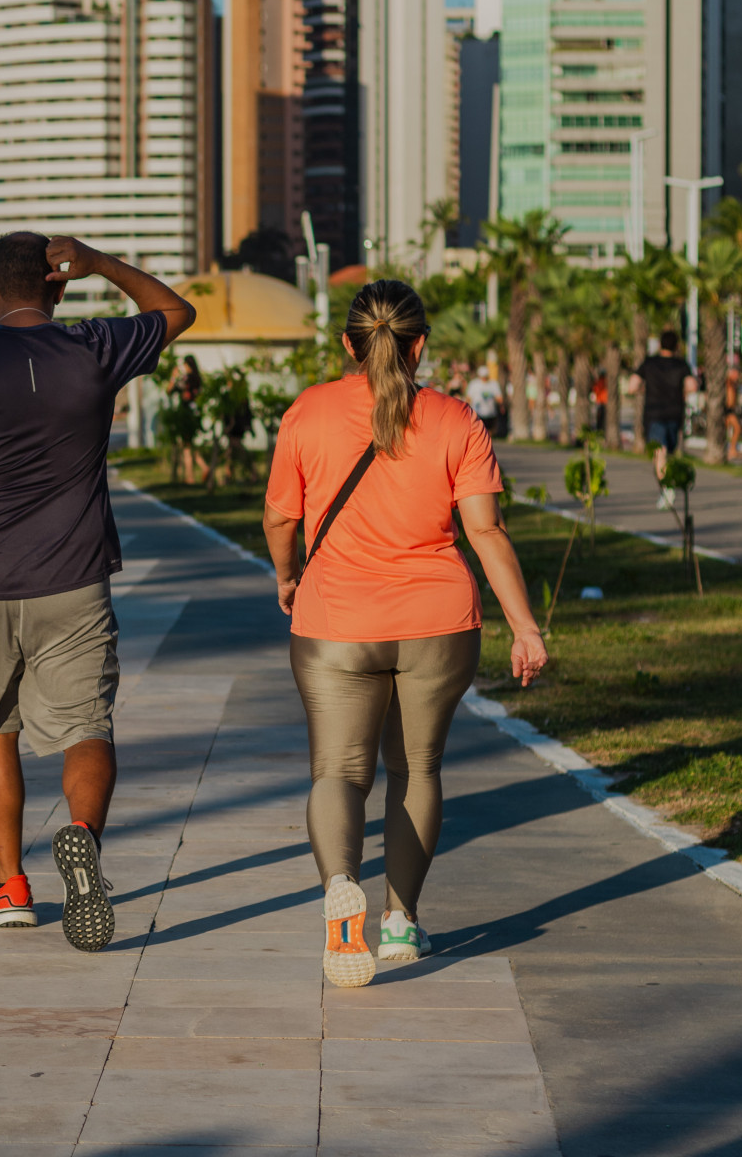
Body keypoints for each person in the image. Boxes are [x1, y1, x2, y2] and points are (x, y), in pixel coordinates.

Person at [0, 231, 196, 953]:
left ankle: (12, 887)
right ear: (58, 288)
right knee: (87, 724)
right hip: (74, 580)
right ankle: (80, 836)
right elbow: (176, 311)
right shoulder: (94, 346)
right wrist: (103, 263)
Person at [261, 280, 548, 990]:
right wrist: (524, 626)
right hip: (437, 623)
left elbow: (279, 518)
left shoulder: (309, 412)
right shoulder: (456, 420)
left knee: (338, 773)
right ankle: (399, 921)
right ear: (420, 344)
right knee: (416, 770)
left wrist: (288, 575)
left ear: (347, 344)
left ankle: (338, 887)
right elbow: (485, 529)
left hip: (334, 622)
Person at [627, 330, 697, 507]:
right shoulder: (681, 364)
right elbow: (692, 385)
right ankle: (668, 486)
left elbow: (632, 386)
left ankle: (666, 489)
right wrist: (680, 391)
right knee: (669, 452)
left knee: (660, 452)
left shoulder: (649, 363)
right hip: (675, 413)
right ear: (677, 346)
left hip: (654, 413)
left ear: (660, 345)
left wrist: (645, 389)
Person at [465, 365, 504, 438]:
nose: (484, 378)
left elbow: (499, 398)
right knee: (479, 431)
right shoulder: (474, 384)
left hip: (490, 412)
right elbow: (468, 398)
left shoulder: (493, 384)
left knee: (489, 432)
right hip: (477, 412)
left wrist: (501, 406)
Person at [724, 361, 742, 463]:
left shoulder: (734, 383)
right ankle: (728, 450)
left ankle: (731, 449)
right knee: (732, 428)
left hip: (731, 410)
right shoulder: (727, 382)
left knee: (737, 428)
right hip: (726, 409)